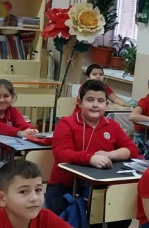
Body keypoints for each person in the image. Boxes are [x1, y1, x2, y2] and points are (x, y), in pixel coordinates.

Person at [46, 80, 138, 218]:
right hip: (64, 186)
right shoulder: (66, 123)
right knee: (66, 219)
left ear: (107, 104)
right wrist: (90, 159)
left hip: (99, 186)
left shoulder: (112, 125)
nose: (95, 105)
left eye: (100, 101)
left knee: (117, 219)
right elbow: (61, 154)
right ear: (79, 102)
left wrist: (109, 154)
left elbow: (132, 149)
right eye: (89, 100)